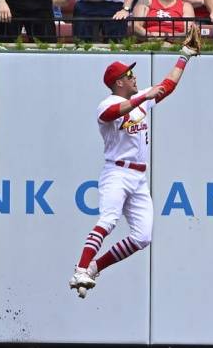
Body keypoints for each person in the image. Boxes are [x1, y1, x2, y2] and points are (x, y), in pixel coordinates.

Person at [68, 38, 200, 299]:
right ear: (119, 82)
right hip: (116, 172)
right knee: (108, 220)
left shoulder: (141, 100)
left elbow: (168, 86)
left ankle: (95, 267)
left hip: (139, 176)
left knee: (142, 237)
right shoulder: (106, 103)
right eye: (129, 74)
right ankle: (80, 268)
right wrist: (144, 95)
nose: (134, 76)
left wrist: (184, 55)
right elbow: (113, 113)